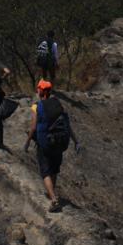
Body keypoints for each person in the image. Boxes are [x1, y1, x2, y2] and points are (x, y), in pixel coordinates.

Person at [25, 80, 79, 212]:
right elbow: (67, 124)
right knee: (54, 169)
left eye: (38, 89)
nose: (37, 91)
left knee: (45, 171)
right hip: (60, 142)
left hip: (46, 144)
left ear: (42, 91)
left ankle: (54, 199)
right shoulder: (57, 104)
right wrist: (76, 141)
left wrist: (27, 142)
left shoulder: (36, 107)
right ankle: (52, 193)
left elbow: (33, 128)